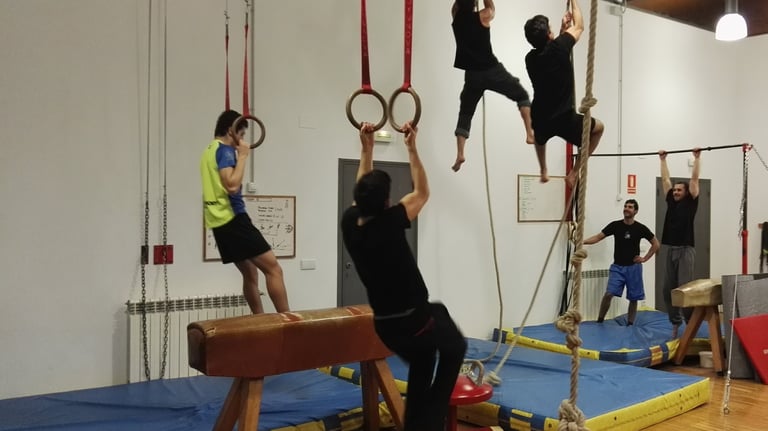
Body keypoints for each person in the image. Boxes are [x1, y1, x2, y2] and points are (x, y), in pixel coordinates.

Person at [341, 121, 467, 431]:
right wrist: (411, 148)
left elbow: (363, 193)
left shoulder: (351, 222)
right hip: (415, 321)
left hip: (386, 326)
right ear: (386, 203)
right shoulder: (391, 221)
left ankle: (416, 425)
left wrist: (367, 149)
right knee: (454, 347)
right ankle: (432, 419)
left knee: (423, 364)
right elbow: (422, 192)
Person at [200, 110, 289, 314]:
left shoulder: (208, 151)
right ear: (231, 131)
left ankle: (258, 320)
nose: (241, 141)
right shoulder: (225, 151)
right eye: (240, 135)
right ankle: (288, 320)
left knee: (250, 273)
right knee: (274, 269)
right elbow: (231, 185)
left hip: (217, 223)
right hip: (233, 219)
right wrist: (243, 156)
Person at [523, 0, 604, 187]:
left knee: (540, 138)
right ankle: (574, 173)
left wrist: (561, 32)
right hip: (564, 118)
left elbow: (552, 55)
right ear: (549, 34)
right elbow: (580, 26)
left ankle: (543, 169)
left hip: (541, 117)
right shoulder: (559, 47)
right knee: (599, 128)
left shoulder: (530, 59)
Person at [451, 0, 534, 172]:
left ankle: (460, 153)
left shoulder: (456, 18)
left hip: (472, 75)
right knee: (521, 95)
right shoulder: (483, 16)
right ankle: (529, 133)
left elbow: (457, 6)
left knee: (465, 112)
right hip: (491, 70)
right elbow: (491, 8)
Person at [584, 199, 660, 325]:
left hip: (634, 268)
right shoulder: (615, 225)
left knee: (633, 298)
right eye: (625, 206)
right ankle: (600, 320)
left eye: (630, 207)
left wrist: (645, 258)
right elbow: (598, 237)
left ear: (635, 211)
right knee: (609, 294)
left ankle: (630, 324)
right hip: (618, 267)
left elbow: (656, 244)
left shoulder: (640, 228)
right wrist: (582, 242)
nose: (626, 208)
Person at [659, 147, 701, 338]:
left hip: (686, 249)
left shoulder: (691, 202)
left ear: (686, 192)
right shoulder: (671, 201)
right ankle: (675, 323)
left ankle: (691, 323)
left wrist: (697, 158)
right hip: (671, 249)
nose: (675, 192)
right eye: (674, 190)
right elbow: (665, 180)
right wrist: (663, 160)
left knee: (684, 290)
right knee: (667, 290)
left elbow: (694, 180)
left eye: (679, 190)